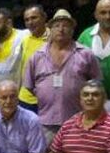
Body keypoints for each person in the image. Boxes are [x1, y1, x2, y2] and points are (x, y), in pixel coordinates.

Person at [24, 9, 102, 142]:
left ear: (72, 29)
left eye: (66, 25)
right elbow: (30, 86)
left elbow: (96, 84)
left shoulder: (86, 54)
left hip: (79, 121)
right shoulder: (37, 56)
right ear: (50, 29)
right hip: (46, 122)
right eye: (57, 25)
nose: (61, 29)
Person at [16, 5, 49, 112]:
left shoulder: (54, 39)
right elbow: (23, 69)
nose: (30, 22)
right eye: (27, 20)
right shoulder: (25, 40)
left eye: (34, 18)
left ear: (44, 17)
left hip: (46, 99)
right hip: (24, 99)